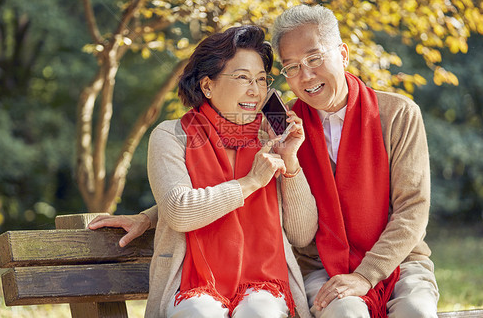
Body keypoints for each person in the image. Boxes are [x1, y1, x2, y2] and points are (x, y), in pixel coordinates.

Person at [89, 25, 318, 318]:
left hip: (265, 281)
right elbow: (179, 210)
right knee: (199, 312)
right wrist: (250, 182)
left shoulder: (270, 138)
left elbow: (302, 234)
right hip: (194, 284)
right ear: (207, 85)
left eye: (262, 79)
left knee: (260, 311)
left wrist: (291, 161)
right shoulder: (172, 135)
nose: (255, 90)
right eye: (242, 78)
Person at [270, 4, 439, 318]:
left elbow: (413, 208)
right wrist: (289, 159)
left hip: (402, 261)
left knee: (416, 312)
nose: (305, 75)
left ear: (343, 54)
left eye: (314, 58)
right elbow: (297, 232)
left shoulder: (399, 113)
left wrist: (365, 275)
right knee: (345, 314)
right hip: (321, 266)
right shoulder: (284, 126)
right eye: (291, 66)